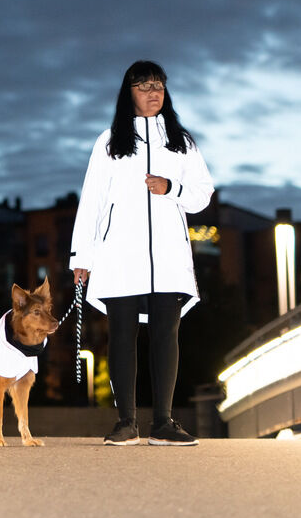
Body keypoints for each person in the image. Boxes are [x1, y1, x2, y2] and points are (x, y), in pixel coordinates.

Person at [69, 60, 214, 446]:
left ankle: (164, 423)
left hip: (168, 256)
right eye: (144, 86)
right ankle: (126, 422)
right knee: (122, 334)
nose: (154, 93)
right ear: (128, 92)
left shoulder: (181, 141)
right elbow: (93, 201)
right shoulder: (109, 142)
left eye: (159, 85)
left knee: (167, 333)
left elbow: (203, 194)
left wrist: (173, 188)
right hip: (119, 254)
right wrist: (80, 257)